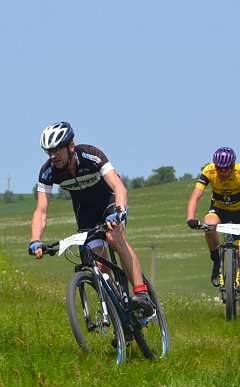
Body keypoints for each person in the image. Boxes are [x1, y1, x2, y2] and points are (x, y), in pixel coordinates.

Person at [28, 121, 153, 317]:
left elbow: (119, 187)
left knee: (114, 238)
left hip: (110, 204)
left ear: (71, 146)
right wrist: (35, 239)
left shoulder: (91, 155)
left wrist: (119, 211)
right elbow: (41, 211)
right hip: (85, 213)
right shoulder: (48, 171)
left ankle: (141, 294)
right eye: (49, 152)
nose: (53, 156)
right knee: (98, 263)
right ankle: (119, 316)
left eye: (57, 150)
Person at [186, 146, 240, 317]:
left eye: (226, 169)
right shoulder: (209, 171)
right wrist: (191, 218)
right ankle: (216, 261)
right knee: (209, 226)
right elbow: (195, 196)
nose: (222, 172)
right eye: (219, 169)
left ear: (232, 166)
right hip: (218, 210)